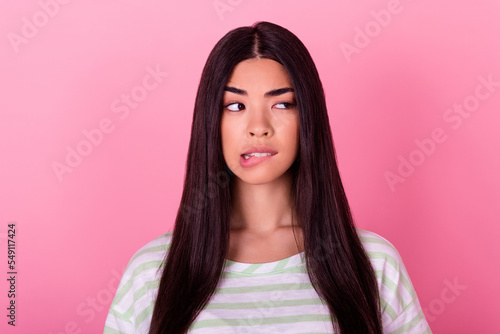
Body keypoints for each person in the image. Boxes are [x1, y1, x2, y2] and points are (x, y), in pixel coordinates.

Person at [103, 21, 432, 334]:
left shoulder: (373, 263)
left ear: (308, 118)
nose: (258, 126)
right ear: (210, 122)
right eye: (235, 106)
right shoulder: (152, 272)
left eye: (282, 104)